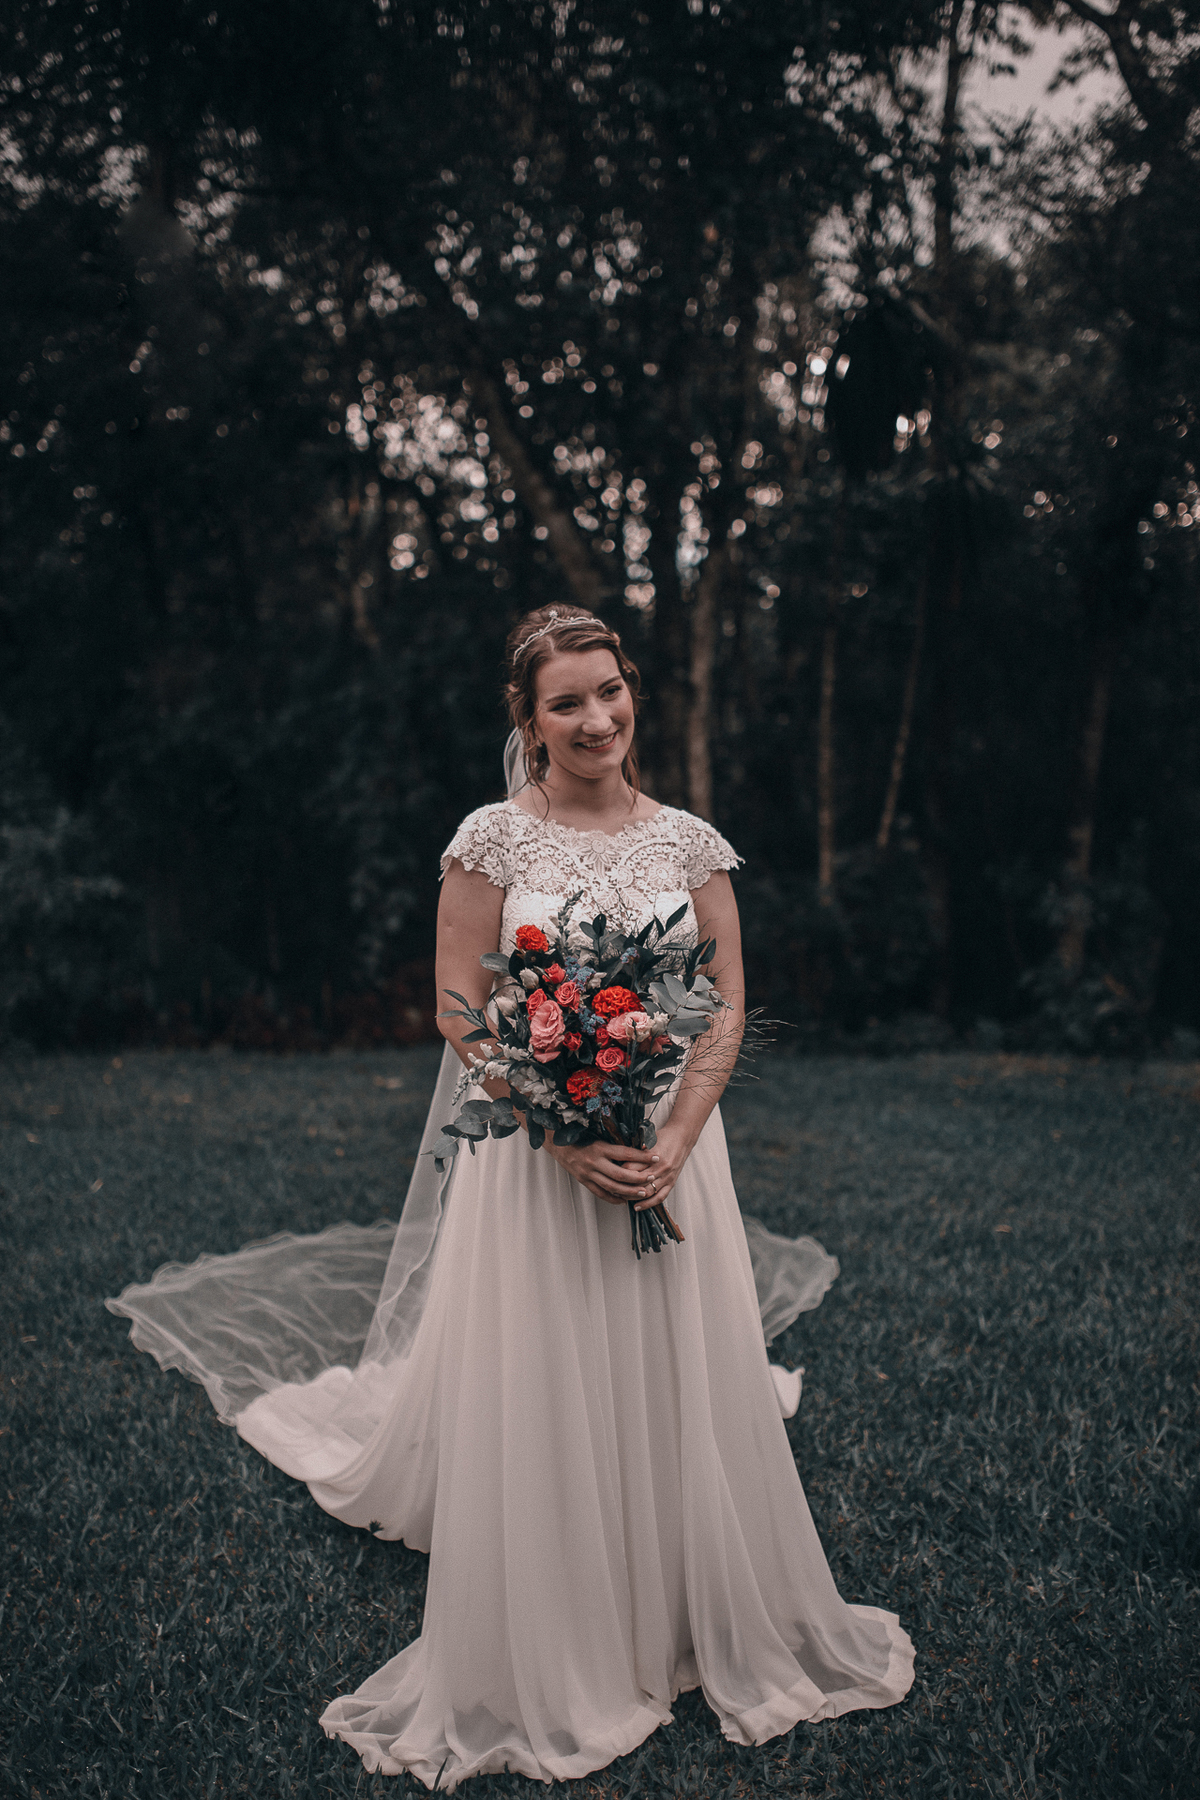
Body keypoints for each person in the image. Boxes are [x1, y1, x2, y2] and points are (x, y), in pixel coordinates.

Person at [107, 604, 914, 1789]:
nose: (597, 719)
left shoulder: (691, 841)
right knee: (550, 1362)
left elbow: (729, 1000)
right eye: (566, 702)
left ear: (633, 690)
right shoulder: (492, 841)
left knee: (667, 1354)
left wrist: (675, 1138)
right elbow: (455, 1005)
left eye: (609, 691)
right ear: (526, 720)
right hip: (537, 1164)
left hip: (675, 1146)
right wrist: (563, 1129)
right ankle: (566, 1598)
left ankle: (686, 1576)